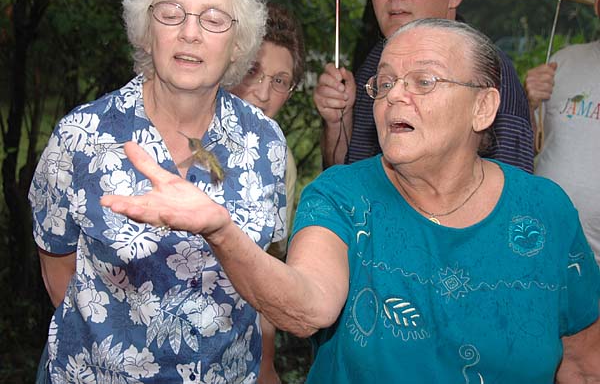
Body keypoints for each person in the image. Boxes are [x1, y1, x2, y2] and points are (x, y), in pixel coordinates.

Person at [101, 19, 600, 383]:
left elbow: (582, 363)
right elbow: (308, 308)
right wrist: (221, 230)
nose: (394, 97)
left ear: (484, 107)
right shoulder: (341, 195)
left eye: (423, 81)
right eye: (383, 83)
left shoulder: (545, 211)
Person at [28, 0, 288, 382]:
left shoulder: (266, 144)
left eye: (214, 19)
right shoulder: (79, 138)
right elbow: (57, 270)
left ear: (238, 45)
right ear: (146, 32)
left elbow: (262, 275)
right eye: (171, 13)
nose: (190, 32)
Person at [315, 0, 534, 173]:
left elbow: (512, 201)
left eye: (425, 81)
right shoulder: (373, 65)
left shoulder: (487, 71)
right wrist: (337, 123)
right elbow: (349, 175)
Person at [229, 2, 305, 384]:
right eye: (253, 71)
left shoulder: (279, 161)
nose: (262, 93)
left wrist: (265, 364)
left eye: (279, 81)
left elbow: (267, 272)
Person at [523, 0, 600, 264]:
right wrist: (528, 103)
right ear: (597, 2)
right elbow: (530, 145)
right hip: (543, 238)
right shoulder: (563, 61)